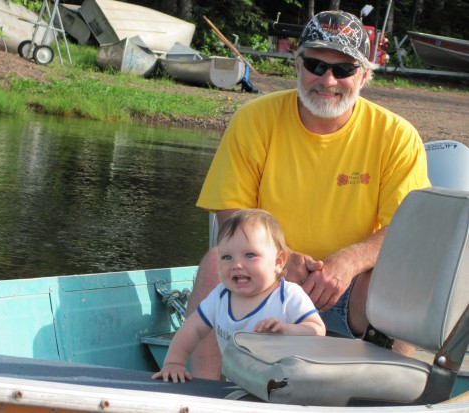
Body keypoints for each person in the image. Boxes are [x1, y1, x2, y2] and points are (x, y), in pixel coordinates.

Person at [189, 10, 431, 380]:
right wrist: (281, 259)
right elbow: (231, 212)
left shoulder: (396, 136)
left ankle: (388, 396)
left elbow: (408, 229)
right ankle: (203, 395)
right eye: (316, 65)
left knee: (401, 285)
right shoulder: (254, 120)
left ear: (364, 76)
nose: (328, 79)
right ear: (297, 66)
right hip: (270, 277)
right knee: (212, 266)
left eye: (344, 70)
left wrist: (348, 263)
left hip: (351, 287)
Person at [152, 209, 325, 383]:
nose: (237, 265)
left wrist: (287, 330)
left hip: (286, 386)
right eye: (227, 257)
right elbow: (192, 329)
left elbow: (317, 330)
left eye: (250, 255)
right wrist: (174, 362)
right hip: (237, 385)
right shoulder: (220, 296)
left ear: (278, 262)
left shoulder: (287, 296)